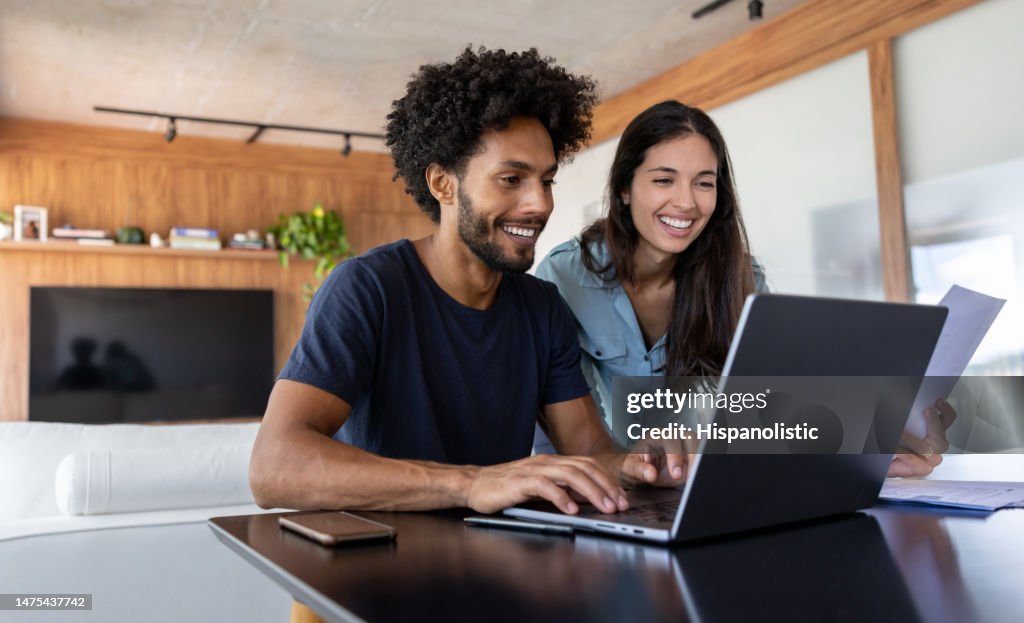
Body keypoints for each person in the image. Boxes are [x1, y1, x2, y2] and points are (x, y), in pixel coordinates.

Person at [249, 47, 685, 517]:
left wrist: (638, 463)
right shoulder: (366, 289)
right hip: (381, 571)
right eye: (511, 178)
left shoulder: (543, 307)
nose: (539, 204)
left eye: (547, 180)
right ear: (442, 184)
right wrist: (471, 484)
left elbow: (590, 449)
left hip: (504, 565)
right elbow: (274, 468)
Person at [536, 100, 954, 477]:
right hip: (606, 482)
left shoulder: (740, 278)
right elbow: (559, 423)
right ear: (624, 188)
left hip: (703, 479)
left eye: (704, 182)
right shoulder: (564, 276)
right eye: (664, 180)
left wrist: (872, 447)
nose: (686, 202)